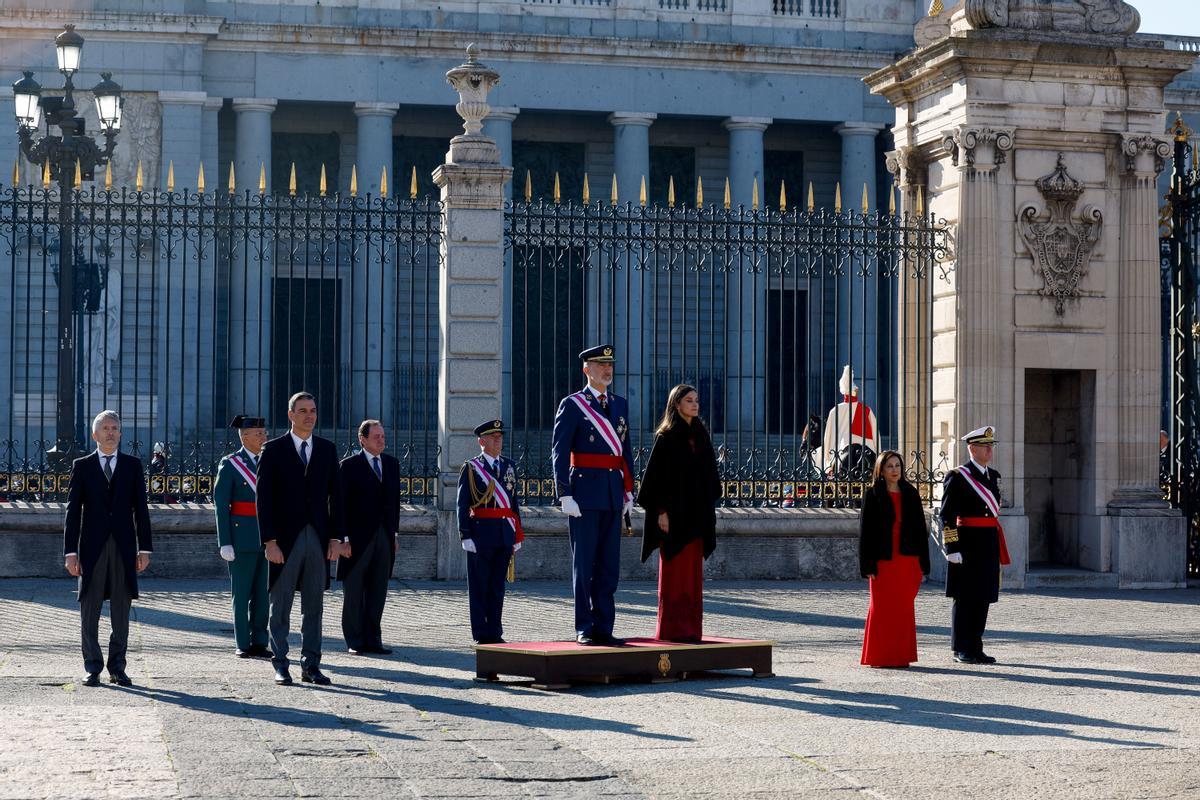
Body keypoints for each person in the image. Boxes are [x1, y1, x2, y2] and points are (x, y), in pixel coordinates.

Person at [256, 391, 345, 686]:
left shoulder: (327, 449)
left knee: (314, 606)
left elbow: (337, 497)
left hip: (317, 539)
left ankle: (311, 665)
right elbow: (263, 499)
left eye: (314, 410)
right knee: (280, 606)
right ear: (291, 415)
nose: (310, 415)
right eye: (303, 410)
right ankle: (281, 663)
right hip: (284, 540)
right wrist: (269, 541)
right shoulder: (273, 449)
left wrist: (335, 538)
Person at [551, 344, 635, 646]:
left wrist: (629, 488)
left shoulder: (620, 404)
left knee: (608, 566)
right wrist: (564, 493)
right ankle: (584, 626)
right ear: (587, 370)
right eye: (600, 365)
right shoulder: (573, 404)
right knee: (584, 566)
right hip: (583, 495)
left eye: (610, 364)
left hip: (612, 493)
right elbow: (559, 452)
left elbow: (624, 451)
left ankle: (604, 625)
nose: (607, 369)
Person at [63, 410, 152, 687]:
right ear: (95, 435)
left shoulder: (133, 465)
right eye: (105, 428)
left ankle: (118, 667)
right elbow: (72, 510)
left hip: (124, 547)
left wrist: (145, 548)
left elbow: (141, 509)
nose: (111, 432)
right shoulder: (82, 466)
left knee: (121, 610)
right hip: (92, 548)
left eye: (115, 428)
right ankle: (92, 666)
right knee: (89, 607)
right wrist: (70, 552)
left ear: (121, 433)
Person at [636, 384, 721, 642]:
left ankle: (692, 630)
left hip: (696, 518)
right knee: (675, 575)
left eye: (696, 400)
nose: (695, 405)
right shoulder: (667, 437)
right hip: (673, 518)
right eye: (689, 400)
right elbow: (655, 481)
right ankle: (672, 631)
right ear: (676, 405)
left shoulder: (702, 435)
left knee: (693, 578)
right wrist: (661, 511)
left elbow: (710, 477)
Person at [940, 425, 1010, 665]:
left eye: (991, 445)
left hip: (988, 542)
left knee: (983, 596)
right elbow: (946, 515)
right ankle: (961, 647)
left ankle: (976, 645)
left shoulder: (994, 476)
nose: (990, 450)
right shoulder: (958, 476)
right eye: (985, 446)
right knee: (965, 596)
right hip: (967, 543)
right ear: (972, 448)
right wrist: (952, 548)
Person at [858, 450, 931, 668]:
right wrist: (867, 564)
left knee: (903, 609)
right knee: (881, 608)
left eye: (897, 466)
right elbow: (865, 532)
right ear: (881, 469)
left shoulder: (911, 493)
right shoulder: (872, 494)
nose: (894, 470)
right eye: (890, 466)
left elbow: (920, 530)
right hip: (883, 561)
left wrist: (924, 562)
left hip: (907, 560)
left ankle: (900, 656)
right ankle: (880, 656)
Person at [457, 419, 524, 644]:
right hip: (480, 534)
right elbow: (462, 503)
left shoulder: (509, 466)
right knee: (479, 586)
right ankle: (480, 633)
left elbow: (514, 503)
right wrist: (465, 534)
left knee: (497, 587)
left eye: (500, 437)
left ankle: (495, 631)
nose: (498, 440)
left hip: (504, 533)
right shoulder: (471, 468)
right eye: (493, 437)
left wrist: (517, 534)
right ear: (481, 441)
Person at [338, 419, 401, 656]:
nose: (381, 440)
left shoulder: (392, 464)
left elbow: (394, 504)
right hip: (356, 538)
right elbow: (340, 506)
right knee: (354, 590)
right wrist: (342, 539)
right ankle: (355, 640)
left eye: (383, 436)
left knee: (378, 589)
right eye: (376, 437)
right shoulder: (349, 466)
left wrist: (393, 534)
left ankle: (373, 638)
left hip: (384, 536)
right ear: (362, 439)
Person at [213, 415, 270, 659]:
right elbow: (221, 504)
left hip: (267, 538)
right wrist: (224, 541)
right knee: (242, 592)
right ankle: (242, 642)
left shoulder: (269, 461)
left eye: (263, 432)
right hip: (241, 538)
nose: (263, 437)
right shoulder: (231, 463)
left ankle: (259, 640)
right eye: (258, 433)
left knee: (262, 594)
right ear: (244, 437)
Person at [822, 365, 880, 479]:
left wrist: (827, 463)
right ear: (855, 391)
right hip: (866, 447)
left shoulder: (835, 410)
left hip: (840, 449)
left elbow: (828, 437)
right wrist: (878, 455)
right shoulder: (866, 409)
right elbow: (875, 433)